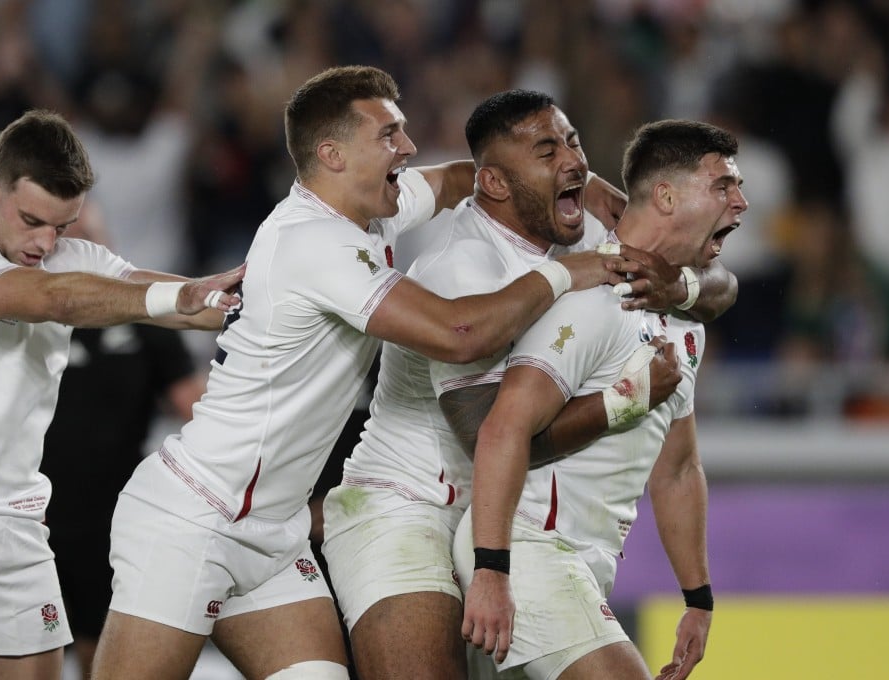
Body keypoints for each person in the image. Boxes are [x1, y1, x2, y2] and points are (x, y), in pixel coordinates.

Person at [90, 65, 634, 680]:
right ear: (333, 154)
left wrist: (581, 183)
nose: (407, 147)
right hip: (193, 515)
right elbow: (459, 334)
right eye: (389, 135)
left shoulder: (371, 211)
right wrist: (569, 270)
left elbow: (462, 178)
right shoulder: (312, 242)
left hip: (274, 533)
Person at [320, 90, 738, 679]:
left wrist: (679, 289)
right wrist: (629, 399)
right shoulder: (462, 269)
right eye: (547, 150)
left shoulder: (586, 224)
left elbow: (715, 275)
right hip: (403, 507)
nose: (572, 160)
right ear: (493, 185)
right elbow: (490, 435)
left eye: (572, 142)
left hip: (495, 518)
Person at [0, 109, 244, 680]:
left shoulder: (66, 258)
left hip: (19, 526)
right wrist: (184, 298)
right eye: (32, 220)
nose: (45, 243)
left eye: (63, 227)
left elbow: (163, 299)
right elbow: (55, 300)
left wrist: (252, 300)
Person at [457, 119, 748, 680]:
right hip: (527, 551)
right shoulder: (590, 299)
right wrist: (492, 569)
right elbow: (503, 427)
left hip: (581, 568)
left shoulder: (687, 324)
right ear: (665, 195)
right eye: (723, 185)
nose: (740, 201)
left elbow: (678, 469)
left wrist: (698, 598)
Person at [37, 211, 207, 680]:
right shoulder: (22, 311)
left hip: (110, 521)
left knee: (102, 657)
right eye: (67, 238)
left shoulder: (142, 317)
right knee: (25, 655)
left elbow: (195, 406)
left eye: (90, 237)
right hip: (29, 516)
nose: (78, 247)